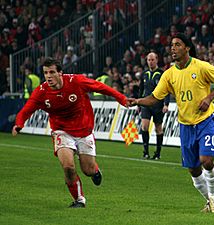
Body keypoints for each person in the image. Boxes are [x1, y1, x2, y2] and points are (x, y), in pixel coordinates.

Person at [128, 33, 214, 213]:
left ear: (187, 48)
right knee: (193, 170)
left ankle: (213, 196)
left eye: (177, 44)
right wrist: (137, 101)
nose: (173, 48)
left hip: (206, 121)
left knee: (206, 160)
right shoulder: (169, 74)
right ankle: (210, 201)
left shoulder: (201, 66)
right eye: (171, 45)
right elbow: (154, 98)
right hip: (185, 125)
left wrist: (209, 97)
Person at [12, 57, 129, 208]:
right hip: (61, 131)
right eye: (46, 73)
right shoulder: (41, 92)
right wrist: (19, 124)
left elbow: (100, 87)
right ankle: (79, 199)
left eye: (52, 72)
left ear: (60, 73)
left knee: (88, 170)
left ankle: (95, 171)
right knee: (68, 166)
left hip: (84, 130)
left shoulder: (76, 82)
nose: (48, 76)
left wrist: (122, 98)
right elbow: (26, 110)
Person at [139, 52, 170, 160]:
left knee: (158, 128)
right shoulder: (144, 74)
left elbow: (166, 90)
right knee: (144, 126)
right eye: (149, 60)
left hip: (158, 105)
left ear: (157, 60)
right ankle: (145, 151)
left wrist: (166, 104)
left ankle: (158, 152)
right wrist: (139, 103)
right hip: (146, 104)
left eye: (152, 60)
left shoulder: (162, 74)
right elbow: (141, 89)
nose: (150, 62)